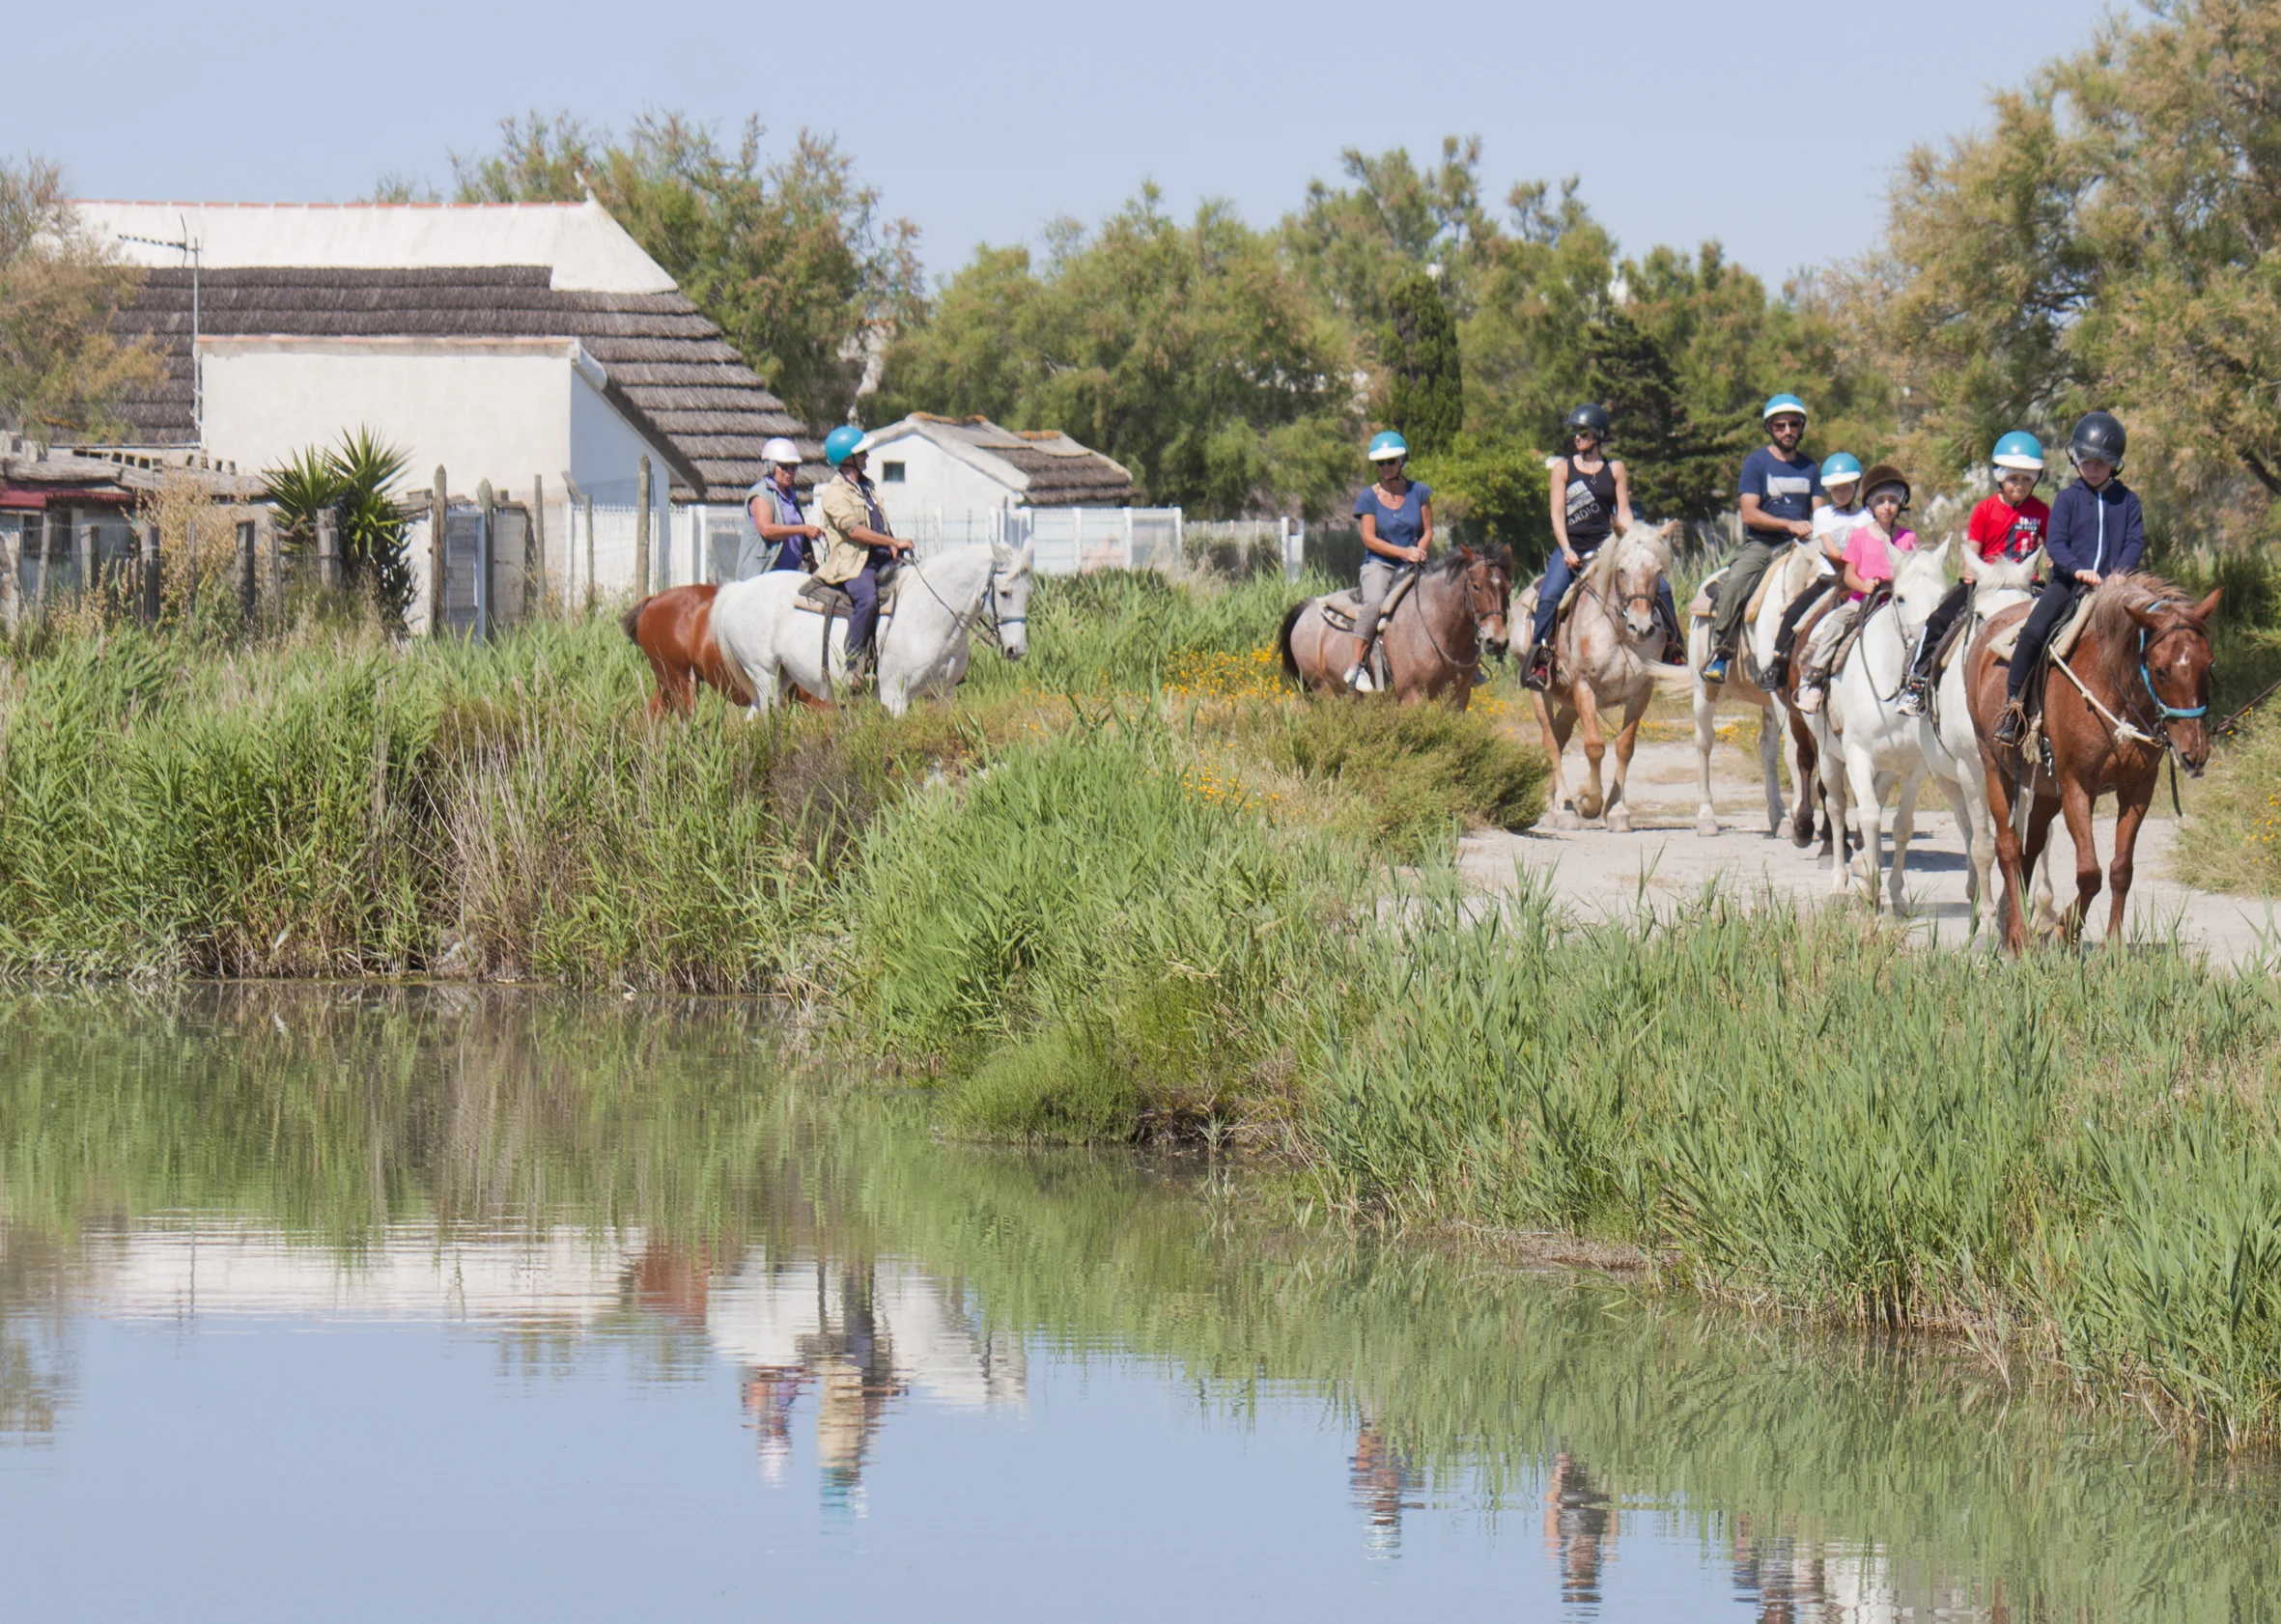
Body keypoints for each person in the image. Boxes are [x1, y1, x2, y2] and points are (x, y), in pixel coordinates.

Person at [1992, 411, 2143, 748]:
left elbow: (2134, 541)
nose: (2091, 468)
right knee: (2033, 632)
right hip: (2068, 583)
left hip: (2115, 588)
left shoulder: (2128, 501)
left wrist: (2119, 575)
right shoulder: (2067, 499)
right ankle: (2014, 706)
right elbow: (2056, 543)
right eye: (2086, 461)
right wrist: (2077, 568)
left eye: (2100, 463)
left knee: (2153, 637)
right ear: (2076, 459)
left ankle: (2154, 711)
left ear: (2115, 463)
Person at [1523, 405, 1680, 687]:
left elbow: (1624, 510)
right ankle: (1540, 661)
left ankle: (1675, 650)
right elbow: (1557, 515)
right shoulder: (1563, 469)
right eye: (1574, 432)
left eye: (1582, 432)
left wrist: (1630, 538)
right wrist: (1566, 549)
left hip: (1608, 547)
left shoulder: (1615, 468)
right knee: (1549, 597)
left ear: (1598, 435)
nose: (1577, 437)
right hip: (1572, 548)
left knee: (1663, 589)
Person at [1898, 432, 2050, 716]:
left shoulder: (2041, 512)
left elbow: (2051, 547)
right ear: (2000, 477)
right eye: (2013, 478)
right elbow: (1973, 552)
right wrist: (1973, 572)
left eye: (2027, 479)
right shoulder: (1984, 510)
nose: (2019, 485)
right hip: (1987, 581)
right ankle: (1916, 683)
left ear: (2036, 480)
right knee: (1939, 619)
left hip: (2025, 583)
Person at [1705, 394, 1826, 684]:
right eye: (1780, 425)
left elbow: (1820, 513)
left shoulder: (1810, 468)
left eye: (1793, 425)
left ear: (1801, 428)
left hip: (1804, 546)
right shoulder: (1756, 463)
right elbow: (1749, 513)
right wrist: (1790, 523)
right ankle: (1721, 652)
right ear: (1770, 428)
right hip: (1764, 544)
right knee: (1736, 582)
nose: (1787, 431)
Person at [1795, 464, 1916, 714]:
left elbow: (1911, 572)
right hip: (1863, 599)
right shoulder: (1859, 536)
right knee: (1837, 623)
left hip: (1895, 600)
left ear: (1901, 503)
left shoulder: (1907, 537)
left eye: (1893, 500)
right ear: (1870, 504)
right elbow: (1849, 575)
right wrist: (1864, 585)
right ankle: (1815, 679)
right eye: (1880, 500)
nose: (1887, 506)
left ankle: (1919, 682)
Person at [812, 423, 912, 689]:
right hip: (853, 564)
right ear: (847, 459)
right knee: (867, 600)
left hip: (880, 558)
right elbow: (855, 530)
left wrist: (895, 546)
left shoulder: (868, 487)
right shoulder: (834, 492)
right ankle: (853, 665)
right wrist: (892, 540)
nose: (867, 456)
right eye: (862, 453)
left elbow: (880, 525)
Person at [1760, 452, 1865, 689]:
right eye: (1835, 489)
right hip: (1829, 579)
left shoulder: (1866, 517)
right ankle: (1779, 661)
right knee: (1794, 612)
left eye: (1846, 488)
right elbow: (1830, 548)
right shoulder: (1822, 515)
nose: (1841, 493)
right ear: (1828, 491)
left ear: (1855, 487)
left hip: (1858, 580)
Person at [1345, 431, 1433, 691]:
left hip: (1414, 562)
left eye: (1391, 462)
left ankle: (1466, 664)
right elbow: (1369, 539)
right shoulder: (1368, 498)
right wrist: (1404, 552)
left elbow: (1427, 530)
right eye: (1380, 464)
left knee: (1449, 596)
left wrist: (1419, 550)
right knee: (1373, 604)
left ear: (1402, 460)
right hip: (1379, 564)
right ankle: (1356, 666)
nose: (1385, 468)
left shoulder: (1420, 492)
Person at [743, 436, 825, 576]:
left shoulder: (791, 495)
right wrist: (802, 529)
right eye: (785, 467)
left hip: (791, 572)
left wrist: (809, 556)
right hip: (765, 573)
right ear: (771, 467)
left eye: (794, 467)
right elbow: (767, 530)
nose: (790, 472)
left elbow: (796, 535)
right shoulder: (761, 494)